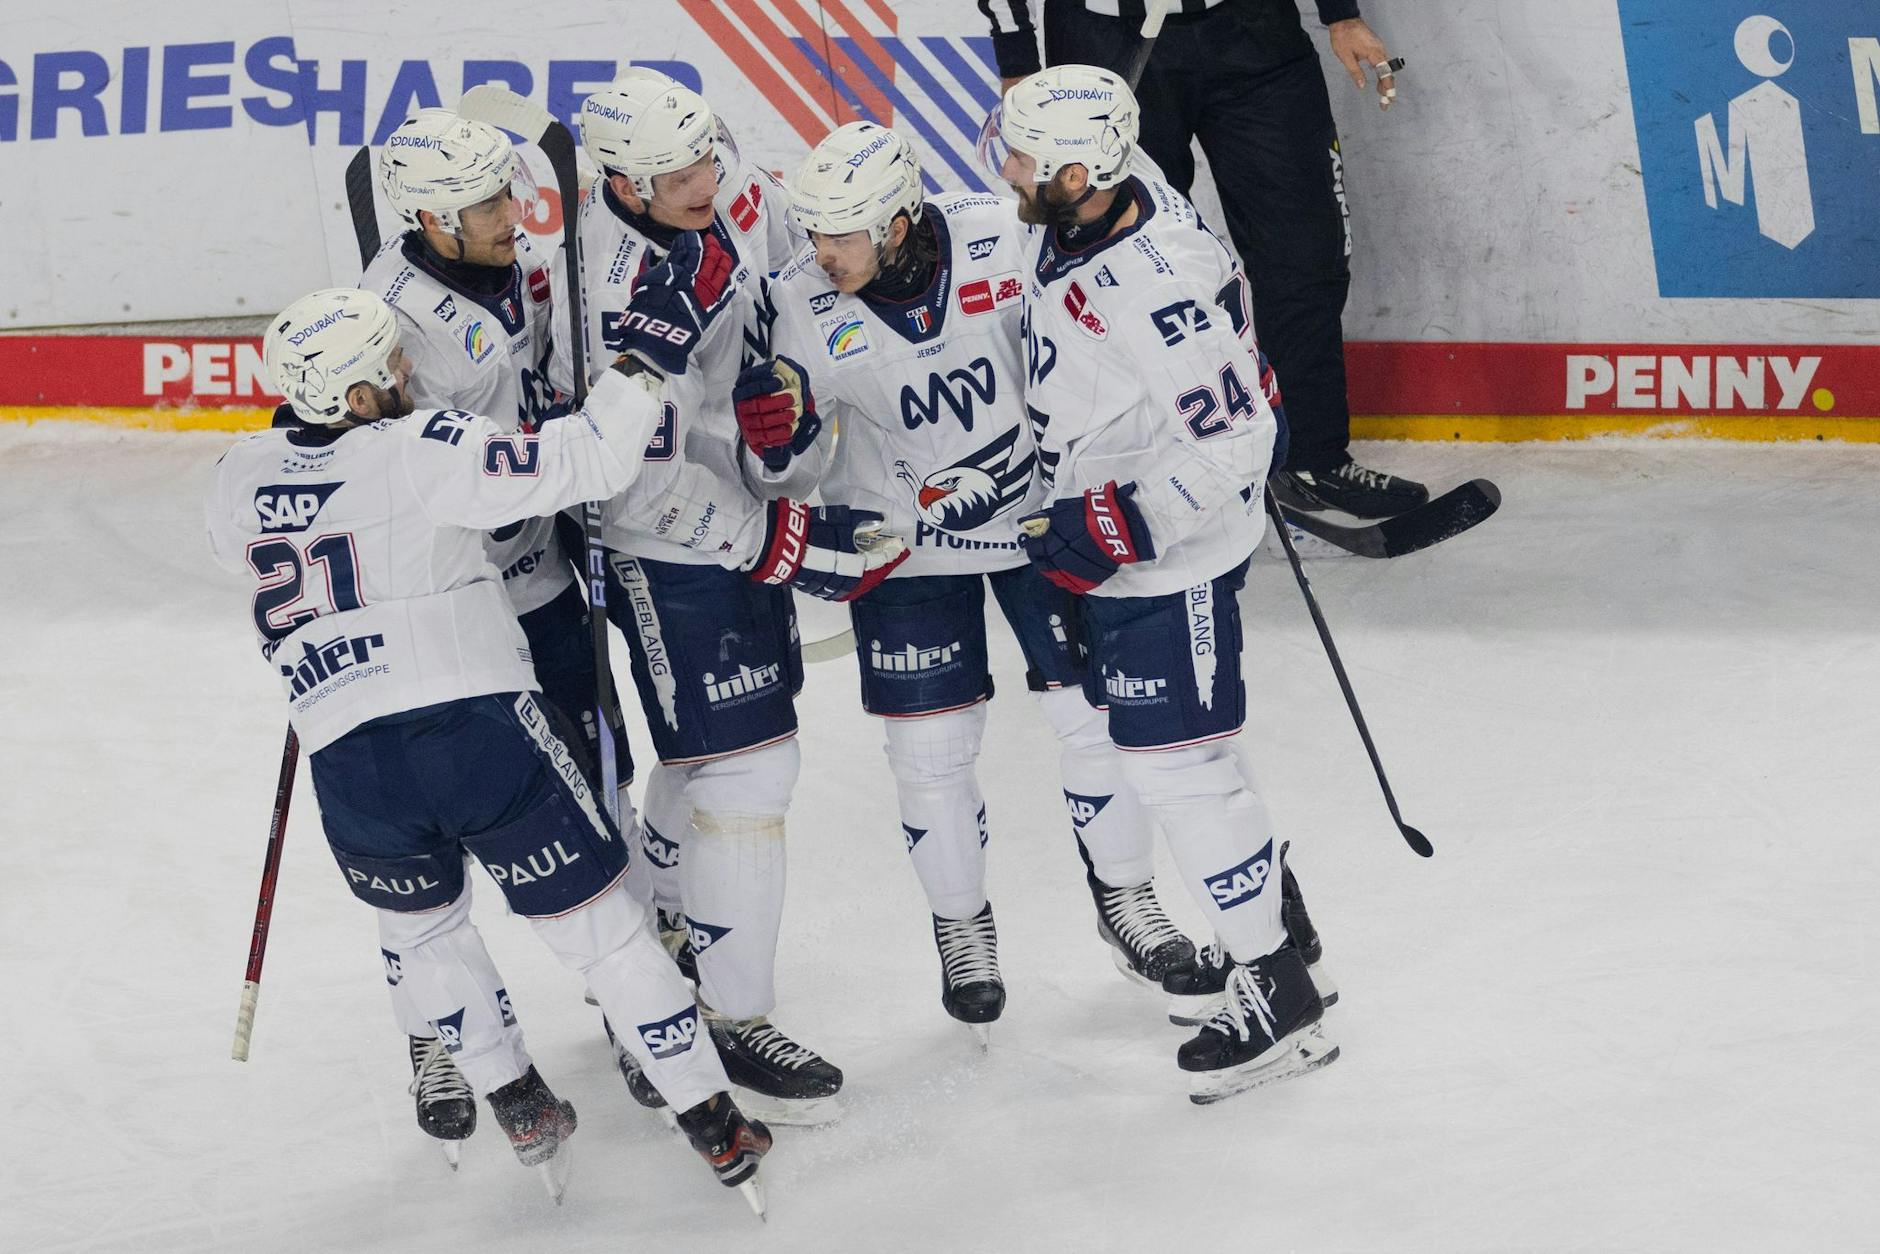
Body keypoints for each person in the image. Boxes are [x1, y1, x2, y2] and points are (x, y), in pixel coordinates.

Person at [205, 286, 770, 1200]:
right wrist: (639, 362)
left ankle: (515, 1099)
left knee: (426, 933)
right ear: (353, 397)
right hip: (471, 729)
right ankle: (710, 1117)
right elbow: (586, 460)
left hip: (347, 762)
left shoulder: (238, 473)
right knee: (602, 933)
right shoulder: (419, 447)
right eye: (390, 366)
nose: (408, 373)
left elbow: (256, 544)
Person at [753, 120, 1204, 1042]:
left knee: (1098, 720)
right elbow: (782, 475)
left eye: (842, 233)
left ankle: (1129, 900)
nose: (819, 253)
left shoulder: (1006, 233)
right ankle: (962, 925)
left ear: (899, 221)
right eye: (814, 231)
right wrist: (776, 444)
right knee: (929, 757)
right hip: (902, 543)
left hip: (1039, 523)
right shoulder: (795, 297)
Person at [990, 65, 1338, 1102]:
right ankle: (1280, 923)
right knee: (1192, 757)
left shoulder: (1153, 280)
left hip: (1166, 559)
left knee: (1178, 768)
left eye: (1014, 152)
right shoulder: (1095, 194)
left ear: (1073, 172)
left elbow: (1241, 434)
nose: (997, 165)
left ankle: (1279, 998)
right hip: (1129, 548)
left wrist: (1122, 520)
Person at [573, 68, 906, 1124]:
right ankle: (726, 1013)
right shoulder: (603, 288)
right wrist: (768, 536)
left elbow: (782, 321)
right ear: (620, 182)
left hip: (736, 503)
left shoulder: (737, 196)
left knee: (708, 762)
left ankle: (653, 951)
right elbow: (628, 472)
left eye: (706, 154)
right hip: (665, 540)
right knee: (751, 771)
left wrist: (789, 415)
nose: (701, 180)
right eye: (673, 172)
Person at [358, 104, 640, 1152]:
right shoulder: (389, 322)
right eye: (483, 204)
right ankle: (441, 1030)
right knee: (425, 843)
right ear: (430, 216)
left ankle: (627, 997)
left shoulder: (510, 264)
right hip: (451, 622)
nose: (508, 215)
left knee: (597, 776)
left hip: (542, 582)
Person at [979, 0, 1430, 519]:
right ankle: (1158, 474)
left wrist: (1341, 13)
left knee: (1305, 251)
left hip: (1252, 30)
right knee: (1116, 264)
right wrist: (1016, 55)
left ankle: (1312, 459)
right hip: (1103, 42)